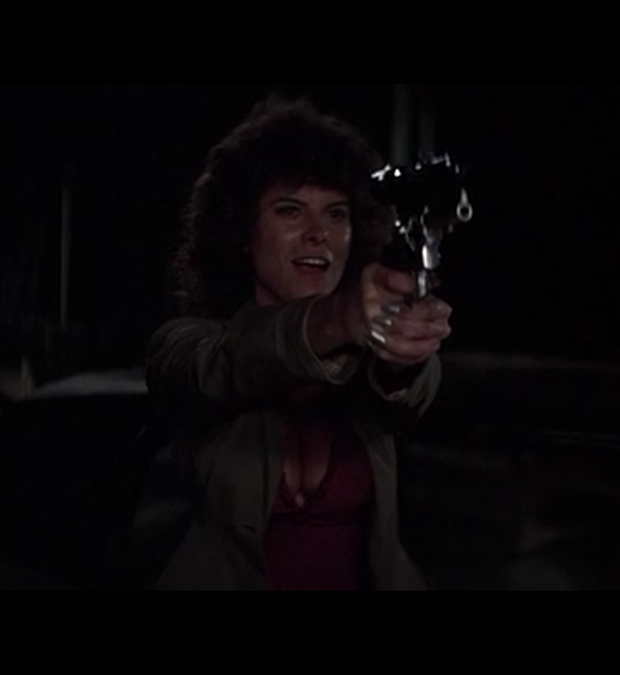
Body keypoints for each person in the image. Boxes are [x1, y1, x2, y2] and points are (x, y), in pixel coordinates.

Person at [144, 95, 453, 591]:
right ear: (241, 229)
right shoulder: (190, 344)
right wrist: (336, 318)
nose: (318, 235)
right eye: (291, 211)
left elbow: (411, 391)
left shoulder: (362, 348)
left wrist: (405, 351)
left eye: (336, 214)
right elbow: (229, 364)